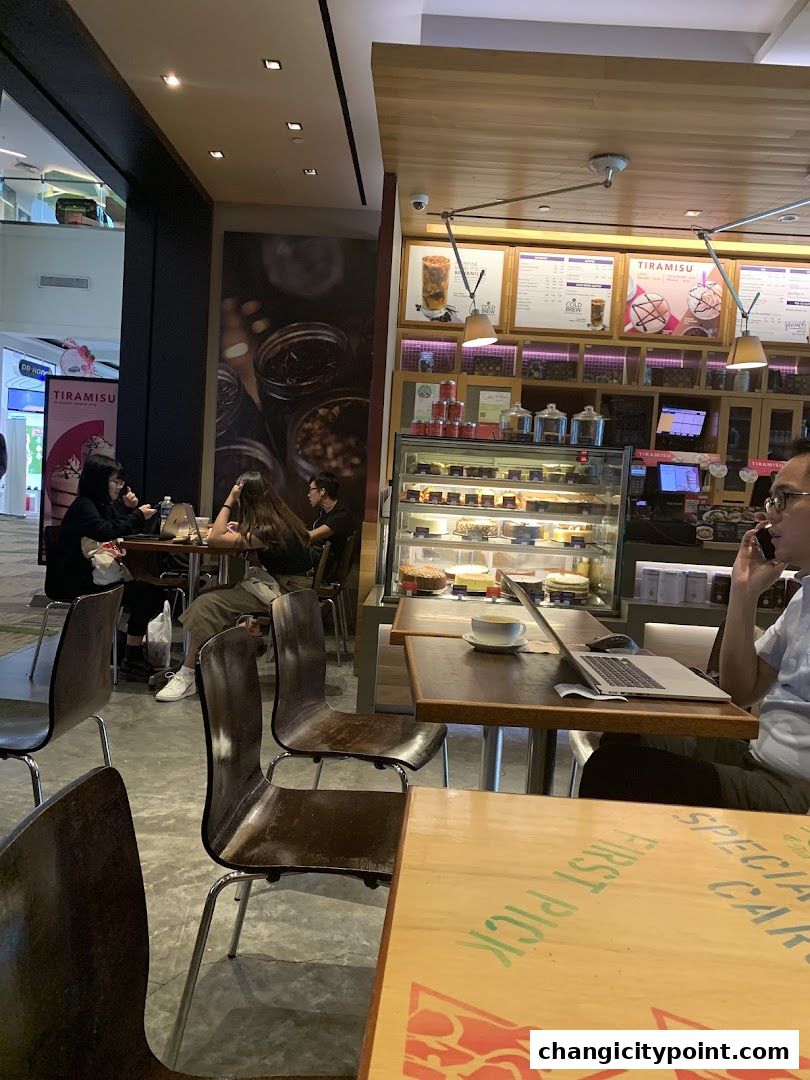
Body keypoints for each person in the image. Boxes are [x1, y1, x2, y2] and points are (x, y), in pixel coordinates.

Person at [580, 438, 810, 814]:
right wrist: (744, 591)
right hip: (757, 758)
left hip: (795, 793)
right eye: (771, 501)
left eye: (785, 498)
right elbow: (741, 690)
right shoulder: (803, 597)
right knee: (628, 730)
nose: (771, 515)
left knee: (617, 770)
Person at [157, 471, 311, 702]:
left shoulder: (268, 529)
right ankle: (216, 665)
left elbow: (216, 539)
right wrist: (242, 529)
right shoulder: (278, 519)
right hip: (290, 586)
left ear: (246, 500)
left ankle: (187, 675)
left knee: (207, 603)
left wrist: (229, 499)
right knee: (211, 594)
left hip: (287, 592)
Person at [46, 454, 164, 679]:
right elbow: (105, 531)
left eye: (120, 482)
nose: (119, 487)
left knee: (149, 594)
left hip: (95, 576)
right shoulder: (84, 506)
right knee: (147, 595)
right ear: (99, 481)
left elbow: (115, 525)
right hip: (77, 581)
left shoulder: (100, 505)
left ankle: (129, 653)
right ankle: (132, 656)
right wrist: (137, 515)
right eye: (115, 482)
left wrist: (129, 509)